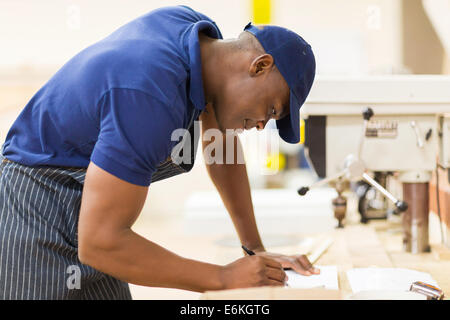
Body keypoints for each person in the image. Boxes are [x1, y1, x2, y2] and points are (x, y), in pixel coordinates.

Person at [0, 5, 317, 299]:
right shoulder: (150, 95)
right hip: (35, 215)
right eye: (272, 109)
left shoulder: (198, 40)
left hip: (88, 213)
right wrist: (222, 278)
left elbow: (221, 144)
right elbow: (100, 244)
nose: (262, 125)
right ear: (260, 66)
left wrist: (254, 248)